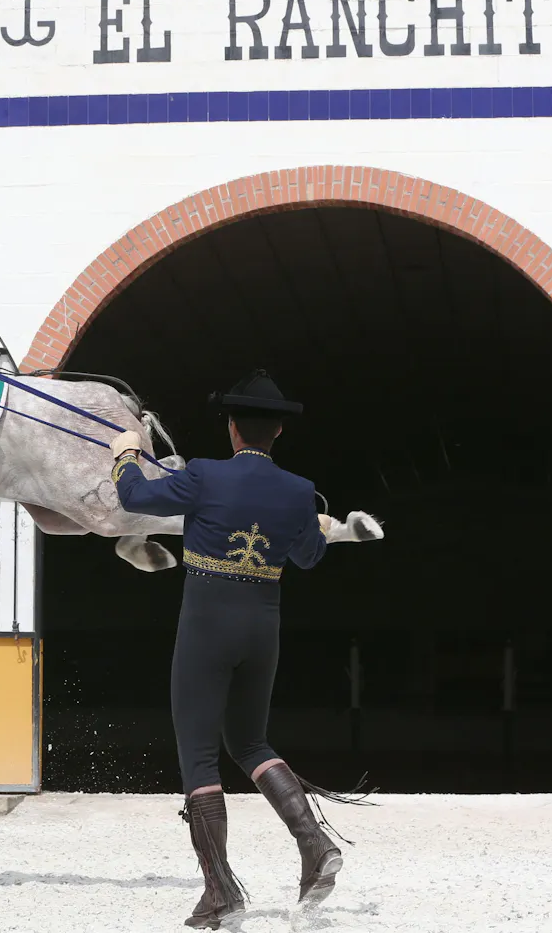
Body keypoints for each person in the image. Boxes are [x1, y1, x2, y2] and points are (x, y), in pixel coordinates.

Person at [108, 369, 371, 929]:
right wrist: (319, 526)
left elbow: (133, 495)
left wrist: (127, 451)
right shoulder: (300, 491)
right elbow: (307, 557)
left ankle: (220, 890)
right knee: (250, 741)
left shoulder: (203, 475)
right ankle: (314, 844)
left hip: (206, 624)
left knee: (200, 754)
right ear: (278, 431)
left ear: (232, 428)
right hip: (263, 626)